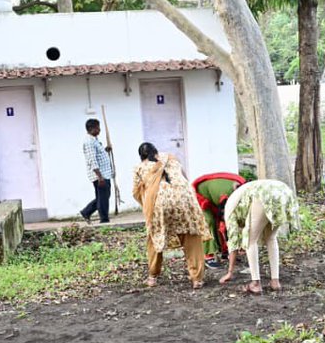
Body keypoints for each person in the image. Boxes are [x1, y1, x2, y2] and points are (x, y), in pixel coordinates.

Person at [132, 143, 210, 288]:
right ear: (156, 152)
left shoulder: (140, 167)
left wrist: (147, 206)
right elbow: (185, 178)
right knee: (191, 236)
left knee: (155, 237)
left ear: (141, 157)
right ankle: (197, 279)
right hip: (186, 200)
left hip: (160, 203)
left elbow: (136, 192)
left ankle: (152, 277)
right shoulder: (172, 159)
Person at [218, 180, 300, 294]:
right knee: (271, 238)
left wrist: (230, 272)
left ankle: (255, 284)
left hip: (264, 194)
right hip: (284, 191)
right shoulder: (242, 195)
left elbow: (233, 242)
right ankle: (275, 282)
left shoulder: (229, 211)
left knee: (250, 241)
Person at [192, 172, 246, 267]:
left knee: (227, 223)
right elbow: (225, 221)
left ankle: (226, 252)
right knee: (209, 222)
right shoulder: (226, 194)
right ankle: (208, 256)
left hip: (214, 198)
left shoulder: (242, 188)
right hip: (199, 196)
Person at [80, 119, 115, 224]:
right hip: (100, 175)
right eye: (97, 128)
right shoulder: (89, 142)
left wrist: (106, 150)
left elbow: (98, 154)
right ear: (91, 129)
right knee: (103, 198)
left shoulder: (94, 140)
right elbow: (92, 160)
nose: (99, 130)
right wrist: (100, 177)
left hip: (105, 173)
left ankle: (86, 212)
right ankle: (104, 220)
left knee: (103, 197)